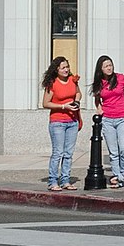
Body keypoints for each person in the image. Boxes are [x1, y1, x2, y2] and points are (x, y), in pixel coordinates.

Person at [91, 56, 124, 189]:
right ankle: (117, 176)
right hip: (108, 119)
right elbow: (97, 98)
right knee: (113, 152)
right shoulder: (99, 83)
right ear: (101, 69)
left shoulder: (121, 78)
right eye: (106, 66)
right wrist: (99, 108)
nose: (109, 68)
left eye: (110, 65)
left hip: (123, 117)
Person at [41, 55, 81, 192]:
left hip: (72, 121)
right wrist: (64, 106)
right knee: (58, 152)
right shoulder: (52, 83)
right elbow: (45, 103)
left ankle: (65, 180)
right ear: (56, 69)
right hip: (57, 121)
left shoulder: (72, 80)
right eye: (63, 67)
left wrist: (76, 101)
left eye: (67, 67)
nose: (66, 70)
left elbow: (78, 93)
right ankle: (53, 181)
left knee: (68, 153)